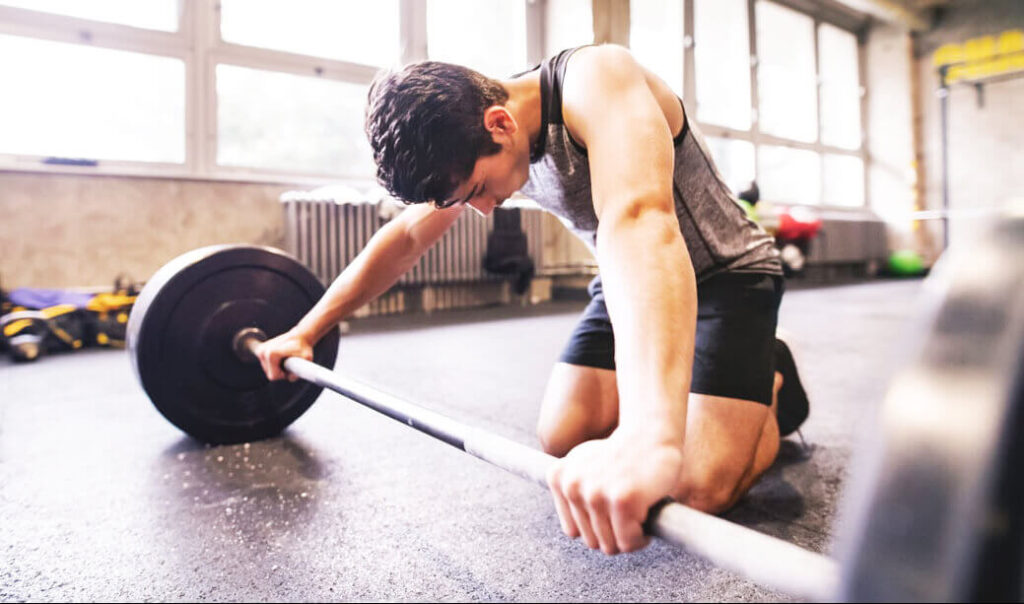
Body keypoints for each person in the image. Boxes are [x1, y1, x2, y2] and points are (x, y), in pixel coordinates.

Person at [256, 44, 809, 556]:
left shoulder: (598, 80)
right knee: (564, 437)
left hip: (726, 273)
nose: (481, 210)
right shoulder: (471, 138)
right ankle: (707, 386)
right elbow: (404, 238)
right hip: (628, 279)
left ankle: (770, 377)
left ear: (500, 123)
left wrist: (649, 438)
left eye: (476, 191)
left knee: (693, 489)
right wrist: (307, 330)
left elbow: (639, 221)